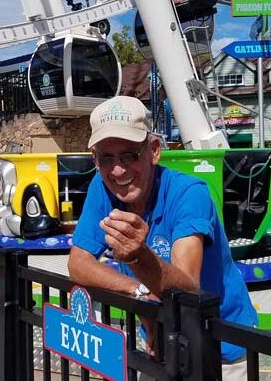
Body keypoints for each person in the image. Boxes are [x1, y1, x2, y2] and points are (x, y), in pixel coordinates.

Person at [68, 95, 258, 379]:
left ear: (154, 150)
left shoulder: (190, 193)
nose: (117, 169)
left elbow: (188, 284)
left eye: (129, 155)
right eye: (105, 157)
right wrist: (140, 292)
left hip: (221, 347)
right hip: (162, 339)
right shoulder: (103, 186)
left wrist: (138, 256)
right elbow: (78, 263)